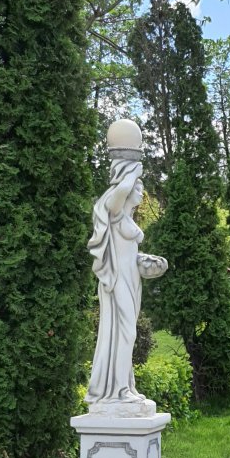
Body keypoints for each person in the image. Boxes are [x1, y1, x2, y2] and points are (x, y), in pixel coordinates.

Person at [86, 157, 167, 409]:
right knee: (126, 332)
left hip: (132, 280)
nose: (142, 192)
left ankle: (125, 386)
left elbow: (127, 252)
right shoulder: (115, 211)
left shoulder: (128, 218)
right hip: (118, 280)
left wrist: (146, 261)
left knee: (125, 332)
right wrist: (132, 173)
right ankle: (118, 390)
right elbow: (118, 193)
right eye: (138, 187)